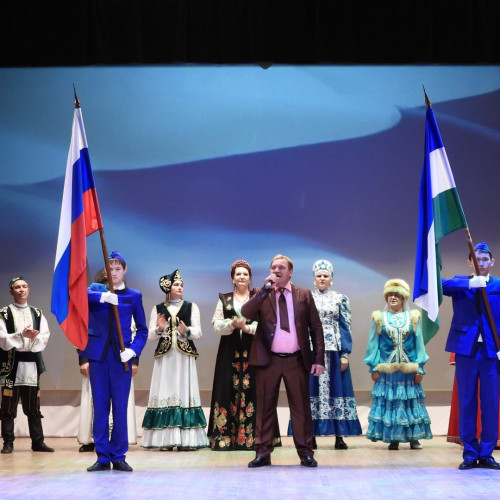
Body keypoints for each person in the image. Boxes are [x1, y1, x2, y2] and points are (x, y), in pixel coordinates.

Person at [241, 254, 325, 468]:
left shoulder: (304, 295)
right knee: (264, 408)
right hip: (268, 359)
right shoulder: (261, 293)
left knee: (301, 409)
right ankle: (262, 453)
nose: (277, 270)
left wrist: (318, 359)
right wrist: (264, 290)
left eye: (281, 267)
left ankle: (305, 452)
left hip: (296, 360)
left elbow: (316, 328)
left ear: (290, 272)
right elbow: (246, 312)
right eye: (273, 267)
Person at [78, 251, 148, 472]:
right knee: (100, 406)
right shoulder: (96, 290)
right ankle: (102, 456)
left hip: (121, 358)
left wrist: (133, 351)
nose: (114, 272)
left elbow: (143, 330)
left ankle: (118, 455)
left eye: (118, 269)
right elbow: (78, 295)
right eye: (110, 268)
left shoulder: (134, 296)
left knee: (119, 407)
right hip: (98, 357)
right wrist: (103, 298)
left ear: (124, 270)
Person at [208, 259, 281, 451]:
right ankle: (226, 438)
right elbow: (216, 324)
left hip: (254, 350)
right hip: (229, 351)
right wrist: (232, 324)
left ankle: (256, 438)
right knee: (226, 388)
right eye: (238, 274)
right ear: (233, 278)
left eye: (245, 274)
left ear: (250, 278)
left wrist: (247, 327)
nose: (242, 277)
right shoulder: (224, 299)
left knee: (256, 390)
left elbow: (268, 324)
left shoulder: (258, 296)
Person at [288, 259, 361, 449]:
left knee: (337, 389)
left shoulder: (340, 299)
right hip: (312, 352)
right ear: (314, 279)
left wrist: (345, 353)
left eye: (325, 276)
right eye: (319, 276)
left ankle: (339, 436)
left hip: (333, 351)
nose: (322, 278)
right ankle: (310, 435)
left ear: (331, 279)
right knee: (310, 391)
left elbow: (345, 326)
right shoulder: (306, 297)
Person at [442, 241, 500, 470]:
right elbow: (439, 285)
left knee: (491, 403)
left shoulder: (498, 285)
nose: (481, 263)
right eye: (477, 259)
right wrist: (469, 283)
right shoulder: (460, 283)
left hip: (491, 352)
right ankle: (469, 453)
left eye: (485, 259)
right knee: (466, 401)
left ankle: (486, 453)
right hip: (466, 350)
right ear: (469, 262)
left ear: (492, 262)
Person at [141, 269, 209, 450]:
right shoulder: (157, 309)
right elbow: (150, 336)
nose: (180, 287)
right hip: (165, 358)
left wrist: (187, 331)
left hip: (184, 356)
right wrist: (159, 328)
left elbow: (199, 332)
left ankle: (187, 439)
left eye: (181, 285)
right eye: (176, 284)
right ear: (168, 288)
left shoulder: (191, 307)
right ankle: (164, 439)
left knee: (184, 391)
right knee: (166, 390)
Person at [364, 278, 432, 450]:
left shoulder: (413, 317)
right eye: (390, 295)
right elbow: (373, 344)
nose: (393, 298)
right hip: (388, 370)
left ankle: (413, 438)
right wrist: (373, 367)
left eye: (397, 295)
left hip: (408, 370)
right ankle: (393, 437)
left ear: (403, 298)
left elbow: (419, 344)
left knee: (409, 402)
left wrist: (420, 367)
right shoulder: (379, 318)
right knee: (392, 402)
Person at [0, 276, 54, 454]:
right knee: (8, 404)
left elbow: (44, 335)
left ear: (29, 289)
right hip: (12, 363)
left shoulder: (37, 313)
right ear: (11, 291)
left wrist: (34, 336)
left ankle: (38, 442)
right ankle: (8, 442)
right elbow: (2, 338)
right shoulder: (4, 313)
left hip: (31, 363)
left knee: (33, 404)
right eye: (17, 287)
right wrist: (21, 335)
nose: (21, 290)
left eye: (24, 286)